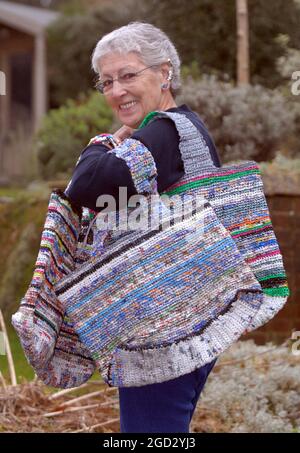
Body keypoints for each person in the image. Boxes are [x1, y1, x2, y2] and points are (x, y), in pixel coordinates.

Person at [65, 21, 221, 433]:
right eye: (107, 82)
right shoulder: (184, 128)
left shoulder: (164, 132)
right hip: (184, 311)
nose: (117, 91)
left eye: (129, 75)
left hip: (161, 321)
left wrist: (105, 141)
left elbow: (83, 187)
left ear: (164, 73)